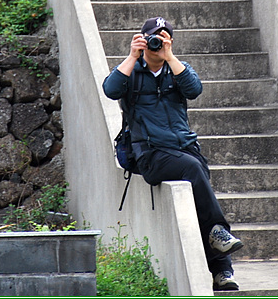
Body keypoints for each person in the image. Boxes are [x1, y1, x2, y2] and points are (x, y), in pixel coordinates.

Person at [102, 17, 243, 291]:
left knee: (198, 198)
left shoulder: (177, 70)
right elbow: (110, 89)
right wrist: (132, 56)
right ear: (142, 40)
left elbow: (195, 90)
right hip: (151, 155)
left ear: (170, 42)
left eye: (163, 38)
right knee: (193, 170)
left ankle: (222, 272)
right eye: (153, 38)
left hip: (185, 150)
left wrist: (170, 57)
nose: (157, 43)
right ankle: (219, 237)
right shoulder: (130, 72)